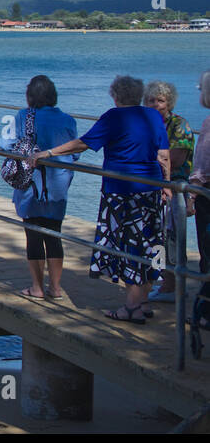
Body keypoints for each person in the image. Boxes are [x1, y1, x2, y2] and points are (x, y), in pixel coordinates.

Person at [33, 75, 170, 325]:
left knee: (128, 245)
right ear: (139, 95)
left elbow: (82, 144)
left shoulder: (113, 117)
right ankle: (143, 301)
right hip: (151, 188)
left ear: (115, 95)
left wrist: (49, 152)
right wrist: (166, 184)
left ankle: (132, 307)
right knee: (149, 242)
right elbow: (163, 155)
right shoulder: (153, 116)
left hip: (121, 191)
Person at [5, 75, 77, 300]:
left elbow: (7, 145)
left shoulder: (23, 116)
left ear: (30, 96)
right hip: (58, 185)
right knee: (54, 235)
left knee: (33, 235)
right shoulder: (68, 120)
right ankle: (55, 288)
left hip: (31, 185)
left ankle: (37, 286)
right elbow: (75, 152)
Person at [144, 80, 194, 302]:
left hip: (174, 189)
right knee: (155, 237)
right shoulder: (146, 124)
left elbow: (176, 158)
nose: (156, 104)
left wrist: (144, 159)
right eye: (151, 100)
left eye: (161, 100)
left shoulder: (179, 125)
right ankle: (162, 281)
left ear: (169, 102)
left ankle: (173, 286)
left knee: (172, 239)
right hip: (151, 188)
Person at [188, 71, 210, 309]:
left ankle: (204, 312)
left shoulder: (209, 124)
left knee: (208, 252)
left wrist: (191, 198)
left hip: (208, 197)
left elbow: (202, 168)